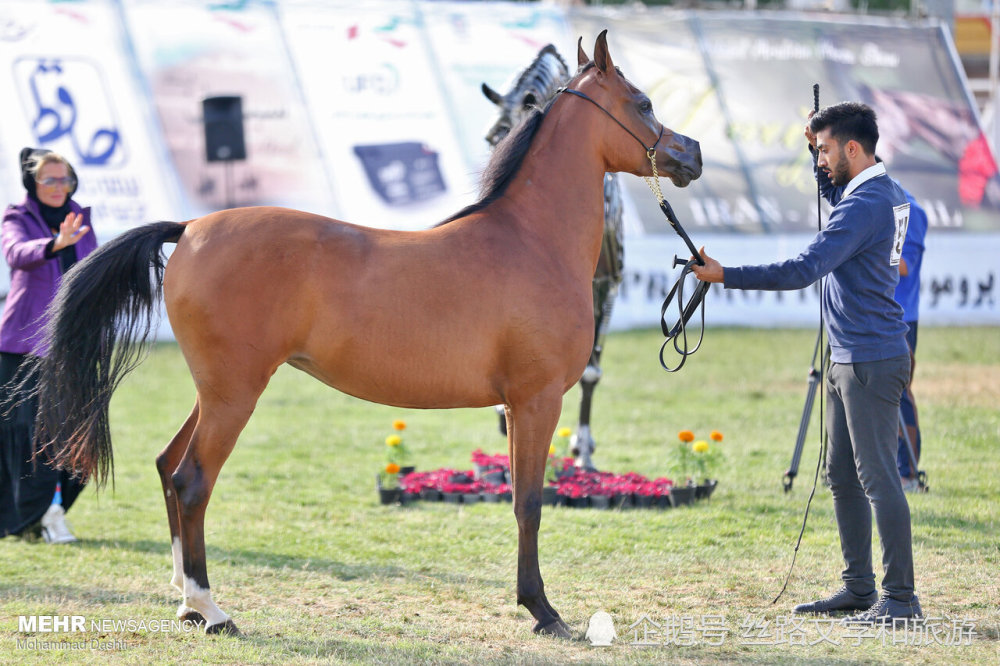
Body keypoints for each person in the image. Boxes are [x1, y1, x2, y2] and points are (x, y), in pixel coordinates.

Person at [691, 102, 922, 624]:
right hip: (852, 356)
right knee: (841, 474)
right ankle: (860, 588)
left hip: (868, 359)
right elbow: (839, 202)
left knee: (879, 479)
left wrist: (725, 275)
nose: (819, 160)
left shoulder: (865, 206)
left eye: (823, 151)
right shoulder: (877, 192)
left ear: (853, 149)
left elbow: (803, 269)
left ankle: (901, 600)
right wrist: (814, 156)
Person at [1, 147, 97, 543]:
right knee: (24, 432)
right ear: (33, 183)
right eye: (50, 180)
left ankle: (53, 510)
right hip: (24, 344)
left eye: (65, 179)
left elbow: (90, 269)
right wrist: (54, 244)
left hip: (72, 342)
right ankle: (26, 518)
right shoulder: (17, 217)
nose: (60, 187)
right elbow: (16, 254)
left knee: (77, 431)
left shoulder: (81, 218)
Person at [894, 186, 927, 491]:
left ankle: (908, 472)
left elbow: (905, 266)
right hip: (866, 313)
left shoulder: (910, 210)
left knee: (900, 390)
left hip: (900, 317)